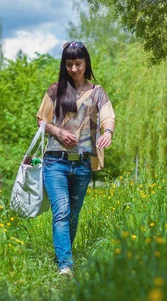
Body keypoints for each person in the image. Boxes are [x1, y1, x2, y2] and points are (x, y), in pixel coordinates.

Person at [36, 41, 115, 276]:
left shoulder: (97, 92)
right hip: (55, 161)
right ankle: (65, 266)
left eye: (78, 63)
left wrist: (108, 132)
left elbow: (108, 116)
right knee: (61, 211)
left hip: (81, 163)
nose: (73, 69)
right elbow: (42, 120)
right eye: (69, 64)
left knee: (73, 214)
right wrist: (58, 132)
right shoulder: (55, 90)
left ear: (86, 63)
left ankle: (62, 254)